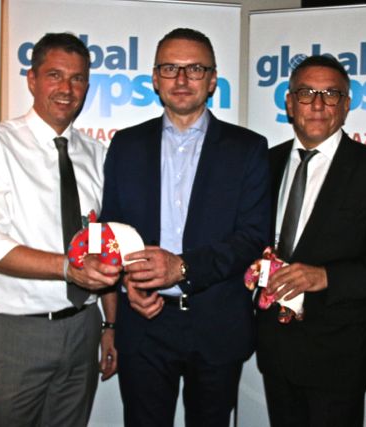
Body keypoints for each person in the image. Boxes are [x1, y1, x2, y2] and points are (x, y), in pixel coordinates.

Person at [100, 28, 270, 427]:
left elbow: (252, 237)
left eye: (194, 69)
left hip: (216, 323)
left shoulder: (248, 148)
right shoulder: (126, 145)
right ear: (154, 78)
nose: (181, 79)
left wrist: (183, 267)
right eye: (169, 68)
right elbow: (112, 232)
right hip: (144, 322)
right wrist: (129, 283)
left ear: (212, 80)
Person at [0, 32, 120, 426]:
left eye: (77, 78)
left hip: (84, 328)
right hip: (17, 334)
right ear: (32, 80)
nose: (67, 89)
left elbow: (104, 243)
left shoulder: (96, 155)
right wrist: (67, 268)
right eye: (54, 75)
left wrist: (110, 324)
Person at [256, 55, 366, 427]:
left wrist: (325, 277)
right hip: (275, 350)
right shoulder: (264, 164)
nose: (317, 104)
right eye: (306, 93)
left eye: (330, 94)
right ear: (289, 103)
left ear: (346, 106)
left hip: (338, 356)